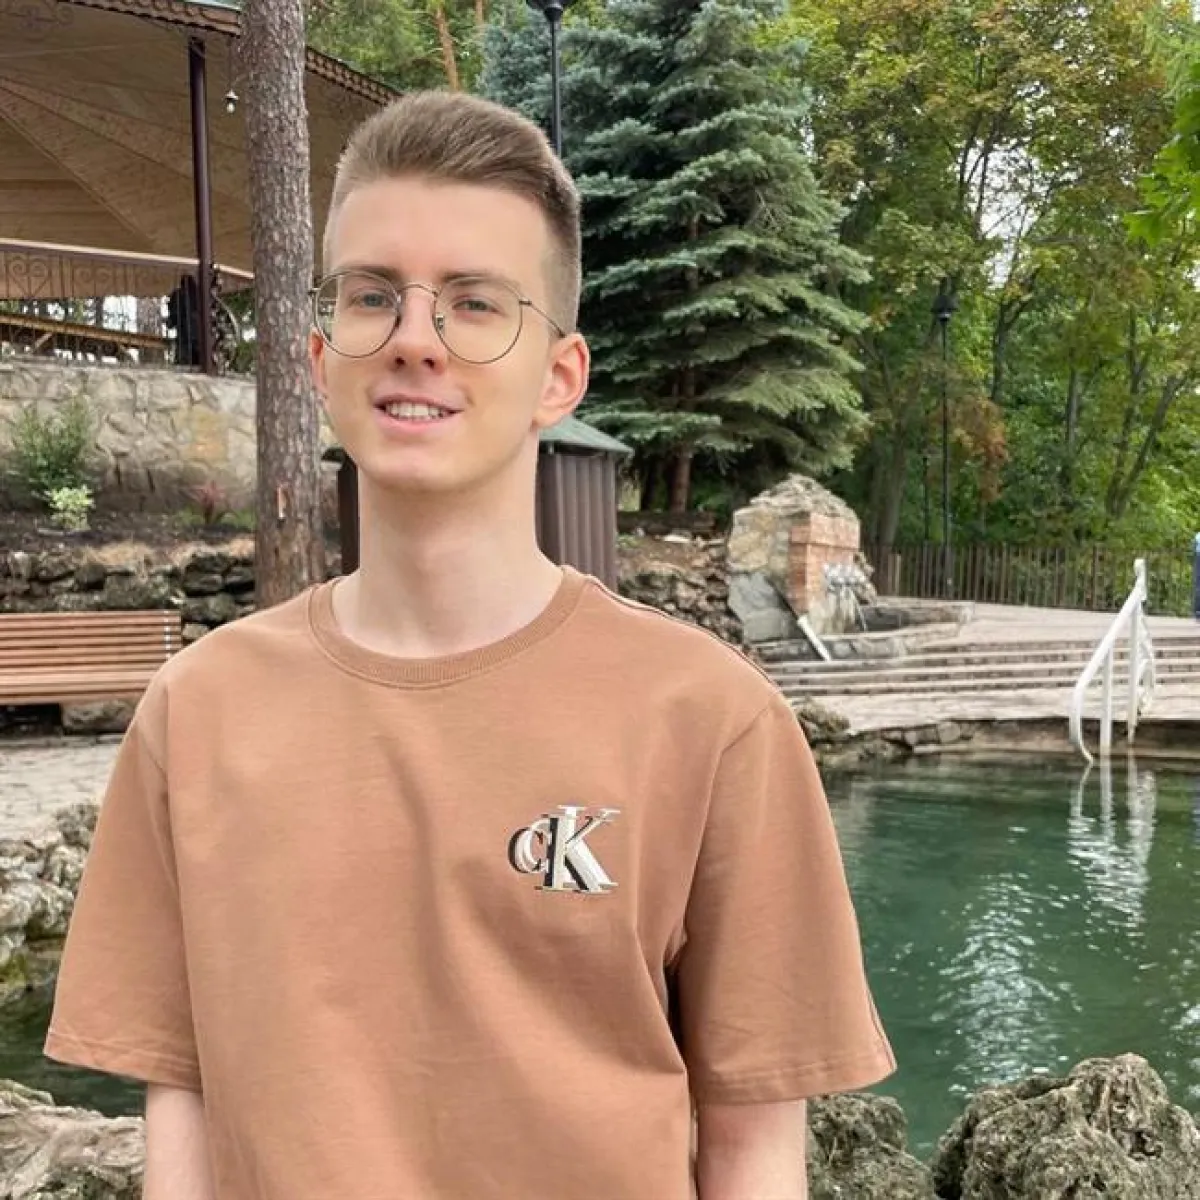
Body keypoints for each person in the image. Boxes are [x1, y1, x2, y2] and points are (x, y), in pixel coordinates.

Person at [45, 91, 894, 1199]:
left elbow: (753, 1151)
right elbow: (184, 1108)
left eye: (476, 303)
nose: (414, 339)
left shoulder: (711, 720)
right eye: (373, 296)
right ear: (318, 359)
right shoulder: (195, 713)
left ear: (559, 376)